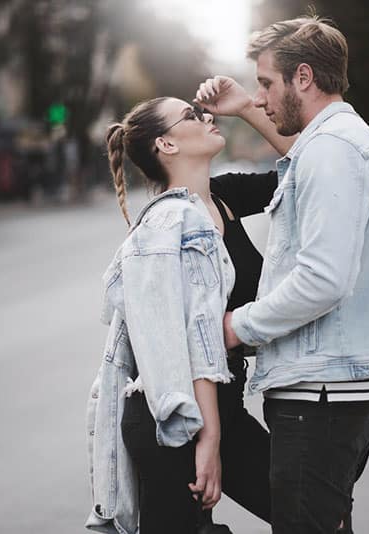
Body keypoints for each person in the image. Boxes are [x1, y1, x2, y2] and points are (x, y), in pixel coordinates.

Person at [199, 16, 369, 534]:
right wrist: (247, 108)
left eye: (266, 83)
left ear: (303, 78)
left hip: (318, 400)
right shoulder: (338, 143)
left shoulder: (332, 152)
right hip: (329, 394)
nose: (261, 96)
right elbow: (299, 154)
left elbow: (322, 280)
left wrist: (235, 327)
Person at [85, 95, 294, 534]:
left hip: (222, 410)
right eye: (192, 115)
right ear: (166, 144)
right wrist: (208, 438)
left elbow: (307, 167)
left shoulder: (225, 197)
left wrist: (245, 106)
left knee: (309, 512)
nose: (207, 116)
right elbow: (191, 340)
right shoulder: (168, 226)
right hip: (174, 419)